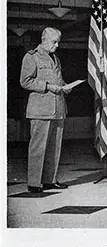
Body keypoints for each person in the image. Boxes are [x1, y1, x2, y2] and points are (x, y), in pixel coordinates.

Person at [20, 27, 72, 193]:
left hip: (58, 108)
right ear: (44, 40)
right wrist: (48, 87)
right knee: (38, 147)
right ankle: (34, 182)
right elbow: (25, 81)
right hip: (40, 109)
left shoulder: (55, 58)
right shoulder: (32, 57)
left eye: (58, 42)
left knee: (54, 147)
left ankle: (50, 179)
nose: (56, 45)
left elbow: (58, 79)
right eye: (54, 42)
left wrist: (65, 87)